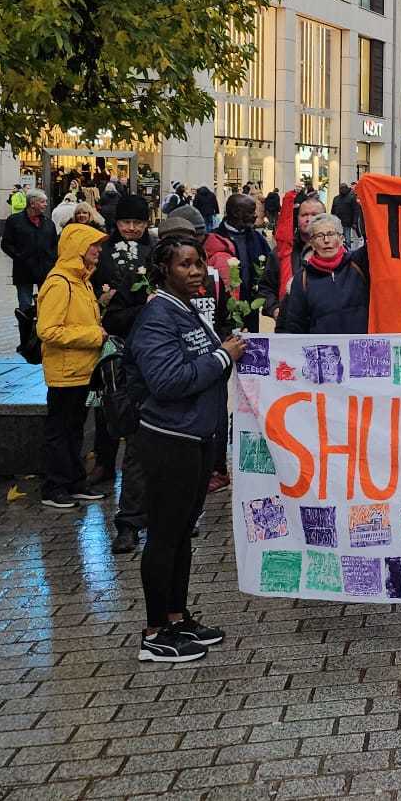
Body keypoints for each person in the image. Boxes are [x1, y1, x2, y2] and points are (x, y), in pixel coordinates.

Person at [127, 234, 244, 663]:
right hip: (169, 440)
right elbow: (169, 381)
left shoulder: (186, 310)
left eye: (198, 264)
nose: (196, 272)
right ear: (164, 271)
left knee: (181, 534)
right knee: (164, 536)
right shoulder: (158, 317)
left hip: (195, 437)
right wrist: (223, 357)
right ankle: (155, 631)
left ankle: (177, 617)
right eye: (185, 265)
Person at [37, 223, 112, 510]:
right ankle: (54, 486)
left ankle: (73, 482)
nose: (98, 250)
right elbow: (49, 330)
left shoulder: (81, 280)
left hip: (81, 370)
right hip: (65, 372)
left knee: (75, 429)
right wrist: (94, 336)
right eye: (93, 245)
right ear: (77, 248)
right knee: (61, 430)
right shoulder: (60, 283)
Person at [94, 194, 156, 522]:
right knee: (108, 401)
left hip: (142, 338)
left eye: (137, 223)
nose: (131, 229)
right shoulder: (103, 251)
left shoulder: (154, 250)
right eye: (125, 223)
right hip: (111, 336)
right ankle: (103, 461)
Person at [277, 212, 370, 335]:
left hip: (358, 350)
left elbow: (374, 234)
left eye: (331, 234)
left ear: (341, 239)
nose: (326, 240)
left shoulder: (358, 263)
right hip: (324, 351)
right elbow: (294, 325)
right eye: (320, 236)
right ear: (312, 244)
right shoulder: (302, 279)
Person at [203, 194, 275, 334]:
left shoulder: (257, 239)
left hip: (251, 308)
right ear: (236, 212)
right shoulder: (214, 239)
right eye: (250, 211)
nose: (255, 215)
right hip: (223, 310)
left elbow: (269, 268)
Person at [1, 190, 57, 313]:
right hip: (24, 270)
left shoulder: (48, 223)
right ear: (32, 203)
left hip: (45, 270)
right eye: (42, 202)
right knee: (25, 304)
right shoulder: (14, 220)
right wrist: (20, 257)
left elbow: (54, 245)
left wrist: (51, 260)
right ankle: (25, 329)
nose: (46, 204)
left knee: (46, 303)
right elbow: (6, 244)